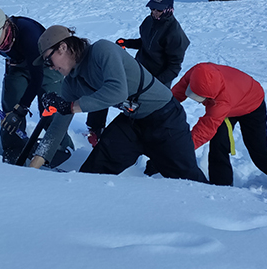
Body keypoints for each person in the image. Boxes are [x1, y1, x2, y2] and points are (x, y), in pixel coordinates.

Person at [34, 25, 208, 184]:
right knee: (90, 175)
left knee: (190, 181)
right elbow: (59, 124)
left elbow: (117, 91)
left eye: (48, 60)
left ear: (63, 47)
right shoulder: (71, 83)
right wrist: (32, 168)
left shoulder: (102, 50)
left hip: (165, 118)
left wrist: (72, 106)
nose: (49, 67)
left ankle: (220, 208)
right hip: (132, 122)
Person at [172, 62, 267, 199]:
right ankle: (221, 190)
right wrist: (162, 109)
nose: (198, 101)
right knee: (218, 146)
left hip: (252, 105)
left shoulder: (221, 102)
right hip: (233, 98)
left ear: (211, 97)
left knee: (260, 156)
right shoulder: (197, 72)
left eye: (200, 99)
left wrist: (182, 150)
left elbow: (204, 130)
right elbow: (176, 94)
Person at [85, 0, 190, 148]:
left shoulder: (175, 35)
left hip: (156, 82)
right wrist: (127, 43)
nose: (154, 12)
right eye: (152, 8)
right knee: (107, 88)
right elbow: (146, 43)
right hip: (138, 70)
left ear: (169, 9)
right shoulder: (150, 21)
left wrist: (154, 84)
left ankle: (137, 146)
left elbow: (174, 67)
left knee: (139, 113)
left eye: (159, 10)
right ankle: (95, 130)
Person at [0, 6, 74, 169]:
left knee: (51, 106)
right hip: (17, 66)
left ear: (5, 27)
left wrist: (22, 109)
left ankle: (59, 147)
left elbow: (37, 77)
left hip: (46, 67)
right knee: (11, 104)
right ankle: (14, 148)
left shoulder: (28, 33)